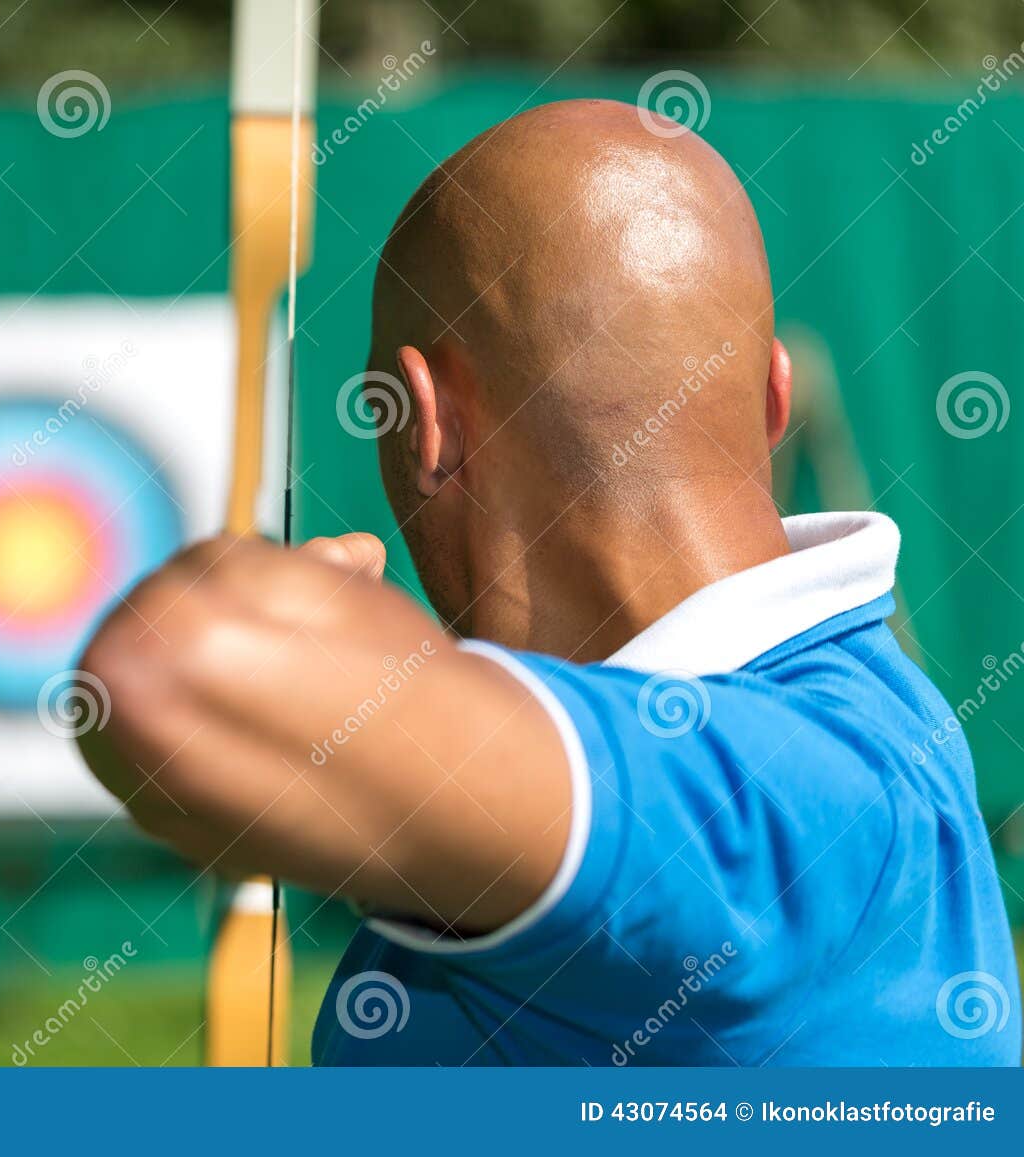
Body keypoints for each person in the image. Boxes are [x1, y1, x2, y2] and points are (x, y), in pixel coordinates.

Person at [74, 99, 1019, 1065]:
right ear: (776, 396)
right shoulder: (855, 730)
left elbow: (169, 676)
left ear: (425, 420)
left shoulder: (753, 797)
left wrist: (312, 656)